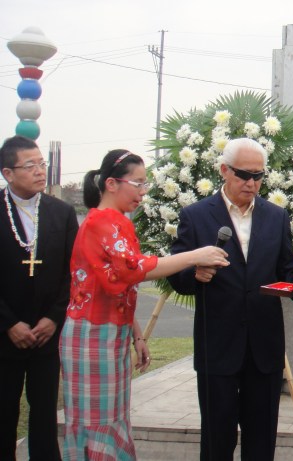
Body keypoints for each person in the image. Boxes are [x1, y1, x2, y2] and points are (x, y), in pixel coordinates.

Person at [60, 150, 229, 460]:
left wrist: (136, 335)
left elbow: (119, 286)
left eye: (144, 184)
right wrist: (194, 256)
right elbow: (132, 269)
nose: (142, 192)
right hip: (92, 334)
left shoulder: (117, 221)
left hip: (110, 331)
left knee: (112, 417)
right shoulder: (102, 221)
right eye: (136, 184)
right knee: (98, 421)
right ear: (111, 183)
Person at [167, 138, 293, 460]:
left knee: (261, 438)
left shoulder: (276, 217)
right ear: (224, 170)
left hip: (264, 344)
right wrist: (194, 275)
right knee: (217, 438)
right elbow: (176, 274)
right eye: (243, 175)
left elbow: (285, 271)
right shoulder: (195, 216)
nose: (251, 183)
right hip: (217, 344)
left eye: (258, 176)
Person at [0, 136, 77, 461]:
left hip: (48, 331)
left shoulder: (61, 212)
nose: (39, 171)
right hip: (5, 332)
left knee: (45, 410)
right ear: (8, 173)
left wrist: (53, 318)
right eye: (29, 166)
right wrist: (9, 323)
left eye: (41, 163)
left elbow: (72, 272)